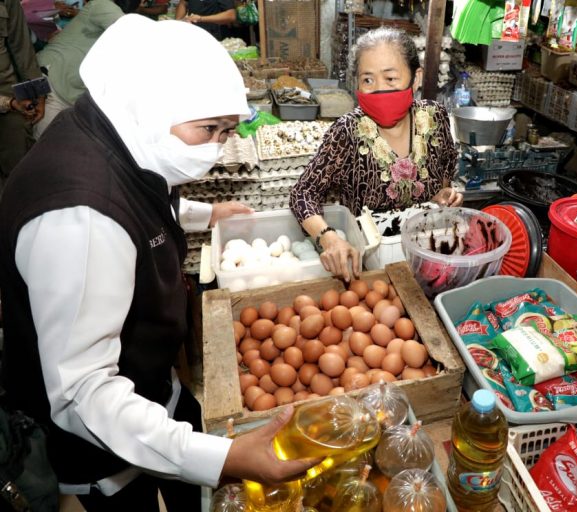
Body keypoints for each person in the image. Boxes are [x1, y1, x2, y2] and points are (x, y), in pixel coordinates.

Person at [0, 14, 317, 511]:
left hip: (151, 380)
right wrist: (222, 457)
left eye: (226, 131)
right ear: (151, 105)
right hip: (106, 442)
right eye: (208, 129)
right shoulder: (81, 219)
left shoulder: (111, 127)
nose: (216, 148)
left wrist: (206, 213)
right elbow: (84, 395)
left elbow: (140, 192)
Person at [289, 26, 462, 281]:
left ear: (415, 78)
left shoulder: (434, 117)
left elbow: (446, 169)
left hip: (430, 258)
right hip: (370, 268)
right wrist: (328, 237)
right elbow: (303, 193)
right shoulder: (347, 131)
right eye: (368, 80)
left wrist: (443, 196)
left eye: (390, 78)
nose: (379, 89)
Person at [33, 0, 139, 138]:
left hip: (67, 89)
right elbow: (133, 35)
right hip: (52, 81)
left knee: (51, 143)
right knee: (42, 143)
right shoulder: (103, 4)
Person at [0, 0, 46, 181]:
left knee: (19, 162)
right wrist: (8, 103)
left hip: (8, 89)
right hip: (9, 101)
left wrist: (38, 91)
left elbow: (22, 47)